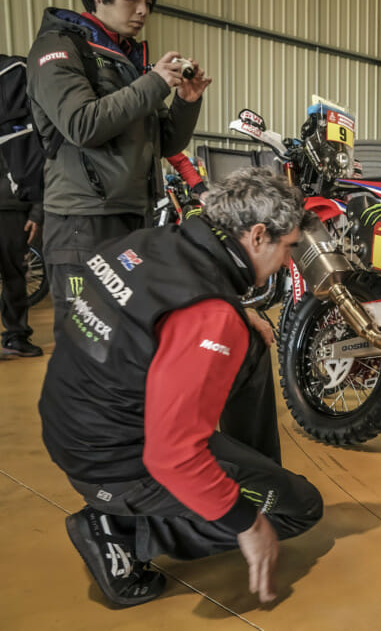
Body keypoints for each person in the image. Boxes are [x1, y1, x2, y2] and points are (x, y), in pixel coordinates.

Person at [38, 168, 322, 607]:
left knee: (249, 342)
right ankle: (122, 533)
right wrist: (247, 522)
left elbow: (146, 314)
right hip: (117, 463)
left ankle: (249, 472)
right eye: (288, 248)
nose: (288, 262)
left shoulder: (153, 242)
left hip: (74, 424)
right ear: (259, 235)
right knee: (300, 508)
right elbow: (171, 456)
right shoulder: (211, 315)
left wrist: (233, 315)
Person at [26, 0, 210, 329]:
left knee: (127, 339)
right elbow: (81, 124)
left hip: (134, 221)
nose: (143, 10)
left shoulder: (127, 60)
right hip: (84, 224)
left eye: (149, 1)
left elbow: (166, 143)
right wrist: (154, 82)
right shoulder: (58, 48)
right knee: (85, 346)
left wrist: (187, 102)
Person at [0, 152, 43, 357]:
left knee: (15, 278)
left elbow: (38, 163)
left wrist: (37, 211)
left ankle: (16, 336)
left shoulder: (25, 120)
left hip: (15, 208)